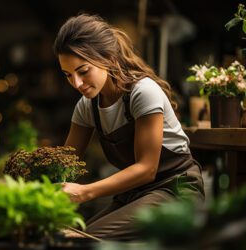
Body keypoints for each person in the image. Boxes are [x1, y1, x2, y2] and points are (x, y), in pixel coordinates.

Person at [53, 13, 205, 240]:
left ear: (108, 58)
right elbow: (64, 166)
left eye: (83, 71)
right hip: (134, 196)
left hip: (175, 190)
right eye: (68, 75)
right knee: (68, 236)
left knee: (83, 241)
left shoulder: (143, 92)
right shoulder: (87, 107)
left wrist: (85, 192)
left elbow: (147, 169)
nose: (77, 83)